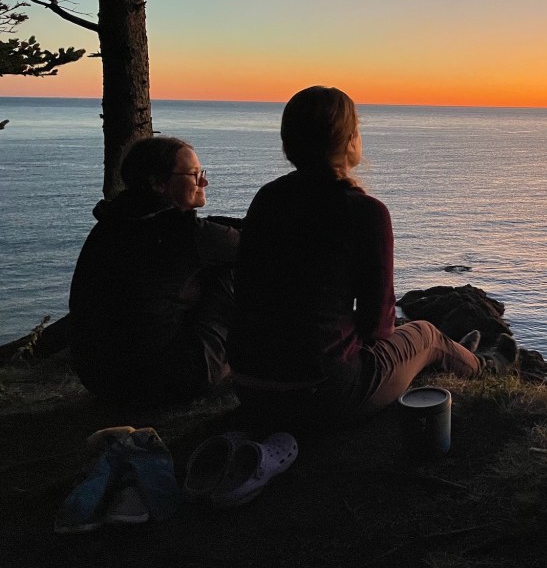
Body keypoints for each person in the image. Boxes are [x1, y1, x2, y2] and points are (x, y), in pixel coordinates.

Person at [227, 85, 516, 427]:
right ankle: (484, 365)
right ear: (349, 141)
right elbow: (377, 325)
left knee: (402, 330)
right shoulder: (365, 212)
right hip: (322, 396)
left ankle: (456, 354)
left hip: (251, 388)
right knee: (424, 334)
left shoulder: (268, 198)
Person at [69, 136, 240, 404]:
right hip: (162, 385)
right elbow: (253, 245)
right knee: (231, 272)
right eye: (194, 175)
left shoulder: (110, 225)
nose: (203, 182)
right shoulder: (184, 234)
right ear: (158, 183)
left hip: (102, 381)